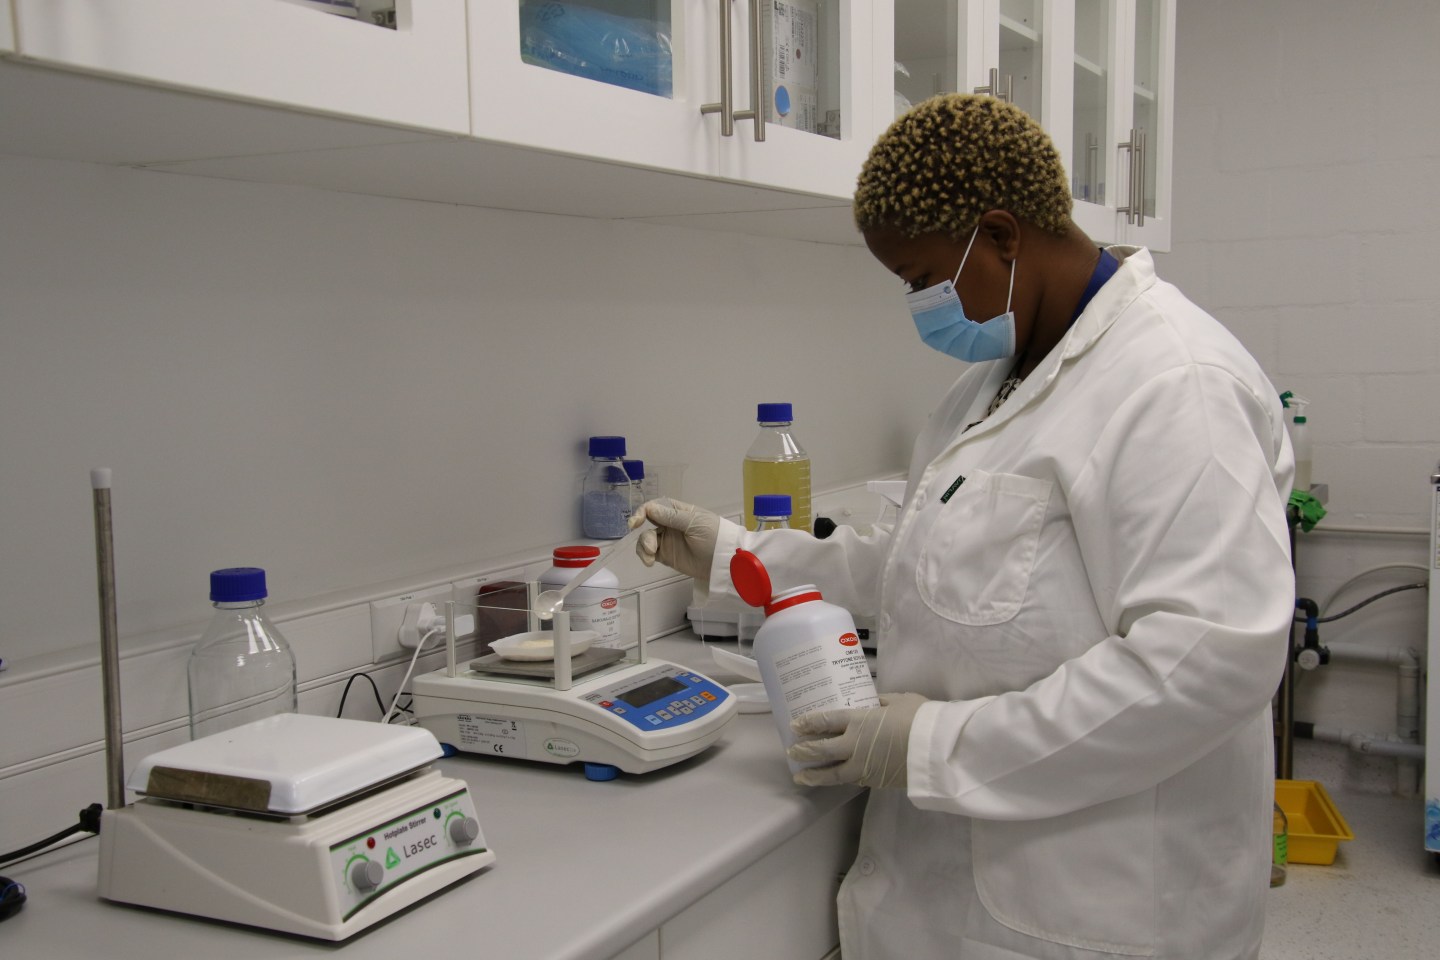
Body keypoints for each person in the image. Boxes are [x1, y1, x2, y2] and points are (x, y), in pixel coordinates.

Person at [632, 93, 1294, 960]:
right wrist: (738, 556)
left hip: (1104, 902)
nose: (916, 304)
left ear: (1003, 234)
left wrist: (933, 744)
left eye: (919, 277)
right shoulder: (990, 384)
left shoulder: (1174, 384)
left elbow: (1204, 660)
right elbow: (930, 569)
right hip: (958, 890)